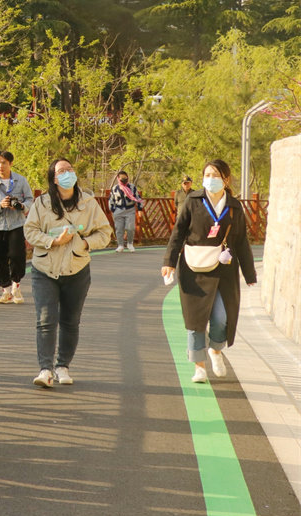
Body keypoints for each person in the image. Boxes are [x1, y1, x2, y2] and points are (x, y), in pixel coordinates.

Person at [162, 160, 257, 384]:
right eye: (207, 174)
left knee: (221, 317)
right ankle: (199, 367)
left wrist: (249, 273)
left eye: (215, 175)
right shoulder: (193, 201)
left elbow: (242, 241)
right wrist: (170, 261)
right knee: (195, 320)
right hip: (194, 268)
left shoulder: (234, 206)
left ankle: (216, 349)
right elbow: (178, 233)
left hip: (224, 269)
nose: (210, 179)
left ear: (226, 179)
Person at [23, 158, 113, 388]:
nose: (67, 173)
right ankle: (45, 369)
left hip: (77, 269)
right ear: (53, 178)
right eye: (61, 171)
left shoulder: (88, 203)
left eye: (70, 169)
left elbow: (105, 233)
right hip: (45, 269)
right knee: (45, 320)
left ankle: (63, 366)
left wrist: (84, 243)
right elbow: (30, 231)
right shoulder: (42, 203)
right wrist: (52, 241)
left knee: (70, 321)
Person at [0, 151, 33, 304]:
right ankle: (6, 291)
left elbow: (30, 199)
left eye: (4, 162)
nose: (0, 166)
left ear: (10, 164)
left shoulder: (21, 181)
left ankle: (16, 285)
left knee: (17, 255)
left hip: (16, 224)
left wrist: (22, 206)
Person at [108, 170, 143, 252]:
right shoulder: (115, 188)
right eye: (122, 178)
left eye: (125, 177)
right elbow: (111, 200)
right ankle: (120, 245)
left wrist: (140, 209)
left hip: (130, 209)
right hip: (118, 210)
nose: (124, 179)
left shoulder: (132, 187)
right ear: (118, 178)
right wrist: (113, 209)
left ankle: (130, 243)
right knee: (119, 228)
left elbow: (138, 198)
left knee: (130, 228)